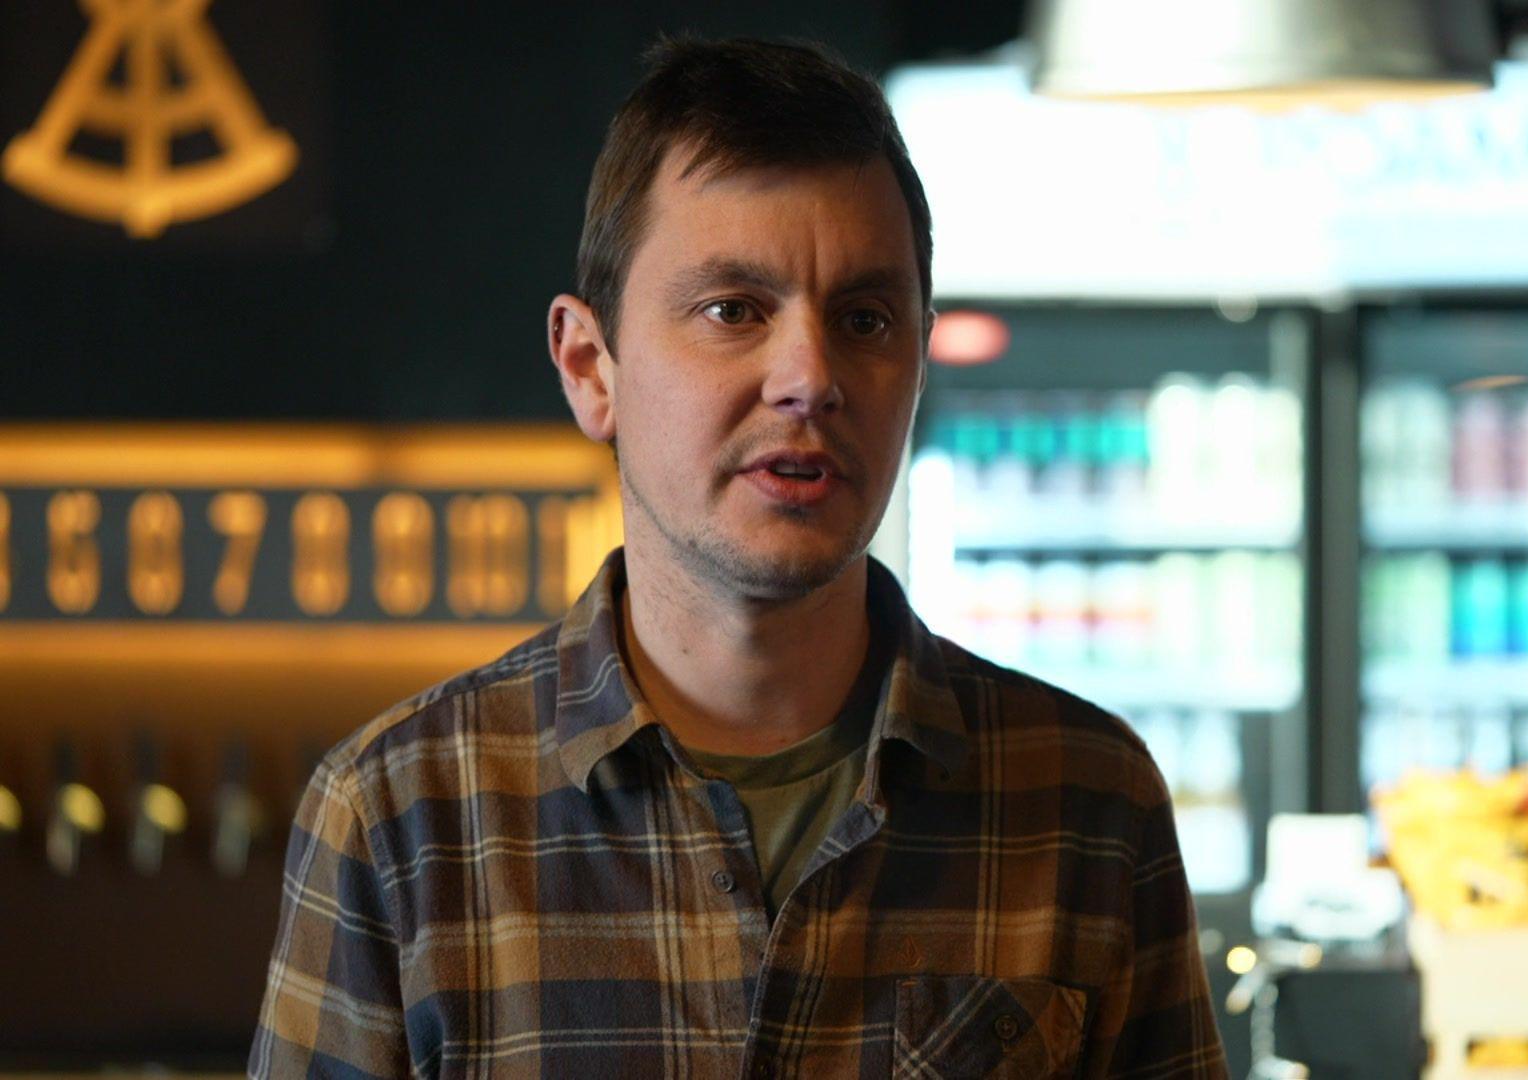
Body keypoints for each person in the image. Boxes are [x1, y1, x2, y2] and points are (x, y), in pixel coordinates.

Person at [249, 36, 1225, 1078]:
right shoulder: (402, 816)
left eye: (864, 318)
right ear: (592, 368)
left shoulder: (1086, 800)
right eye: (733, 311)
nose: (809, 376)